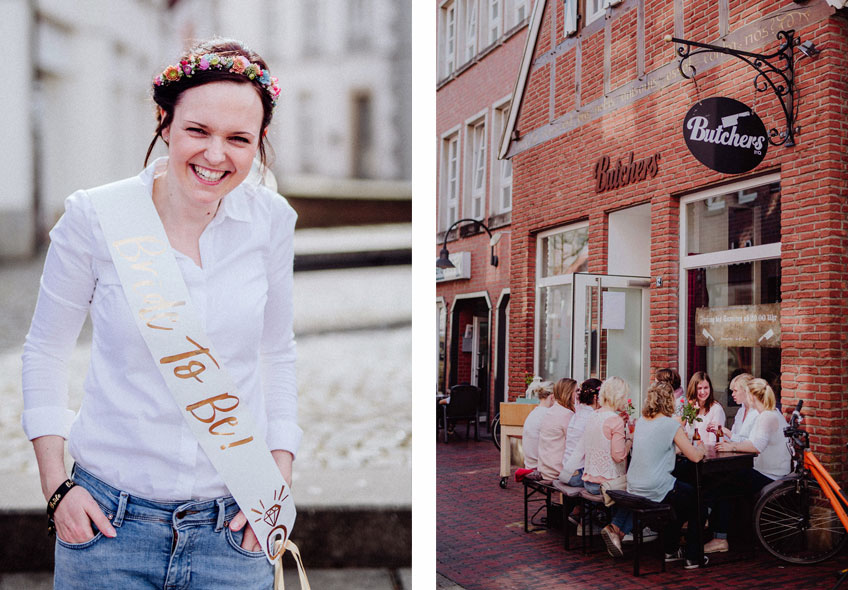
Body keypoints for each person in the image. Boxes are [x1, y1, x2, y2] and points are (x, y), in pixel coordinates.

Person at [22, 39, 296, 588]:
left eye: (238, 139)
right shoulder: (96, 217)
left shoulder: (270, 220)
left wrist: (279, 481)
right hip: (106, 528)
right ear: (165, 123)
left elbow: (277, 351)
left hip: (233, 529)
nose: (216, 155)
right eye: (198, 130)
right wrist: (56, 489)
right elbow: (45, 351)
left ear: (258, 143)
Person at [600, 381, 707, 568]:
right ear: (669, 402)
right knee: (699, 503)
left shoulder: (641, 422)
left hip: (635, 485)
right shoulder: (670, 424)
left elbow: (658, 450)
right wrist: (702, 449)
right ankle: (693, 556)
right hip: (656, 487)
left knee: (680, 503)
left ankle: (671, 550)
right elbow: (695, 457)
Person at [708, 378, 791, 553]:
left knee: (724, 486)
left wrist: (732, 446)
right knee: (724, 481)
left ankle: (719, 538)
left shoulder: (767, 416)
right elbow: (752, 442)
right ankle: (716, 529)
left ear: (751, 397)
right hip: (767, 470)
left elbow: (756, 447)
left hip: (771, 474)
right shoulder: (769, 414)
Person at [563, 376, 632, 495]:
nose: (626, 400)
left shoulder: (593, 415)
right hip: (606, 485)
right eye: (625, 396)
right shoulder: (615, 420)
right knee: (637, 490)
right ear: (618, 397)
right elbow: (619, 456)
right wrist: (630, 440)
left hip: (588, 482)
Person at [557, 378, 601, 488]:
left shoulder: (577, 414)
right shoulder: (593, 418)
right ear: (596, 397)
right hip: (577, 475)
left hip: (566, 470)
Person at [536, 378, 577, 481]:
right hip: (557, 471)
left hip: (544, 469)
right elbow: (576, 444)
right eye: (576, 391)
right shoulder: (567, 415)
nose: (579, 394)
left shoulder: (550, 412)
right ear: (568, 393)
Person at [708, 372, 758, 443]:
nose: (732, 394)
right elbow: (732, 439)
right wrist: (718, 432)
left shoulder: (758, 412)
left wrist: (726, 431)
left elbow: (753, 444)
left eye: (735, 391)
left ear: (746, 390)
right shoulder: (740, 412)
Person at [685, 371, 725, 444]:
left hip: (709, 452)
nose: (703, 392)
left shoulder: (716, 409)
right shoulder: (689, 408)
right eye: (699, 388)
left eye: (706, 388)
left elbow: (713, 441)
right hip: (691, 451)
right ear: (693, 390)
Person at [522, 382, 554, 470]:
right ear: (552, 397)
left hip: (529, 465)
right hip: (540, 468)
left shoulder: (533, 413)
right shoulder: (548, 415)